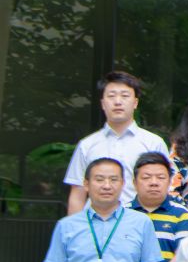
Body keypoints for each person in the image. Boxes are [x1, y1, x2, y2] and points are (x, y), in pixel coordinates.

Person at [65, 71, 170, 212]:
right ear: (103, 103)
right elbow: (78, 194)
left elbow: (165, 189)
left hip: (140, 220)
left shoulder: (154, 143)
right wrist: (74, 225)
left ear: (135, 103)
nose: (118, 102)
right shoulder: (87, 145)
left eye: (125, 96)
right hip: (96, 221)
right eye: (111, 96)